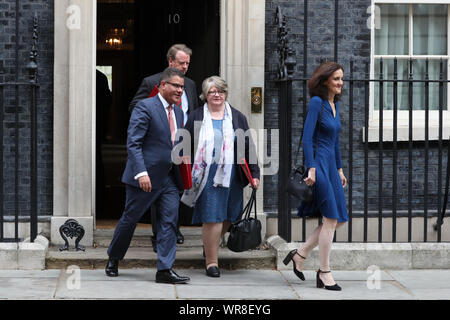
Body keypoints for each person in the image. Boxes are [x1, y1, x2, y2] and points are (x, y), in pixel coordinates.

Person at [105, 67, 190, 284]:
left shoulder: (179, 112)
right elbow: (134, 143)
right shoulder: (145, 107)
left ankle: (164, 269)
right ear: (162, 86)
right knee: (130, 219)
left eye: (182, 86)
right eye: (176, 86)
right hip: (145, 176)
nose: (180, 90)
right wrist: (141, 173)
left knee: (170, 221)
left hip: (169, 178)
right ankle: (114, 258)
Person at [181, 76, 260, 277]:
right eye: (212, 92)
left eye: (221, 91)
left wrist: (255, 174)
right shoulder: (196, 116)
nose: (217, 95)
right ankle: (212, 262)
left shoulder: (238, 117)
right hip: (207, 175)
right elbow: (185, 144)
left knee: (231, 216)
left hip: (232, 174)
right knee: (212, 216)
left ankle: (209, 245)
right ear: (205, 95)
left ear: (226, 94)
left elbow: (247, 145)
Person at [283, 62, 348, 291]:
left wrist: (340, 169)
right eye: (336, 79)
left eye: (341, 79)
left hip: (331, 165)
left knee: (339, 218)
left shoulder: (333, 104)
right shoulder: (317, 103)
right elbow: (308, 138)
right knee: (330, 218)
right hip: (319, 164)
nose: (340, 83)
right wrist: (311, 168)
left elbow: (335, 140)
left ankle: (300, 254)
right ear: (325, 81)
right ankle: (324, 271)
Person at [129, 44, 199, 248]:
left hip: (183, 144)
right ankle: (160, 232)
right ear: (170, 62)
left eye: (187, 63)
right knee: (158, 188)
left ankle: (173, 227)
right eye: (181, 63)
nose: (185, 67)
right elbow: (134, 107)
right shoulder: (151, 81)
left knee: (178, 188)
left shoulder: (191, 85)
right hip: (159, 144)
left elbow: (192, 112)